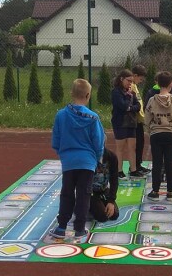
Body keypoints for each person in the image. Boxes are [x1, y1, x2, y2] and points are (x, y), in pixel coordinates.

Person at [50, 79, 105, 240]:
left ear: (71, 93)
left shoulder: (61, 115)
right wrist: (96, 159)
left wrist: (62, 153)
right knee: (84, 194)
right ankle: (79, 228)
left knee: (67, 193)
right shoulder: (93, 117)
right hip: (87, 162)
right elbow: (98, 141)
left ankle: (61, 227)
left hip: (68, 161)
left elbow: (56, 139)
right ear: (88, 95)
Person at [144, 71, 172, 201]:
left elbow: (147, 117)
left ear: (157, 82)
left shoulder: (152, 100)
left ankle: (155, 191)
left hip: (156, 134)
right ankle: (170, 192)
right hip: (171, 134)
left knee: (157, 162)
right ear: (171, 84)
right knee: (170, 162)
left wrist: (148, 130)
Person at [111, 69, 144, 179]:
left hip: (131, 122)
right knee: (120, 148)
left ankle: (133, 170)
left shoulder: (131, 93)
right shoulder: (116, 92)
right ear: (121, 79)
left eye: (131, 81)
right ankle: (119, 170)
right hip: (120, 122)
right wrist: (129, 103)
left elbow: (138, 106)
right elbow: (122, 106)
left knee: (132, 147)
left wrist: (130, 107)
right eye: (128, 81)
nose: (130, 83)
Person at [131, 65, 151, 175]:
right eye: (140, 79)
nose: (141, 81)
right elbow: (136, 104)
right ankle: (134, 167)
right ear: (135, 75)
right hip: (135, 121)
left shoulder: (135, 86)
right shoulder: (132, 86)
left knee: (140, 143)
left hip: (139, 120)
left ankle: (138, 164)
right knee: (136, 144)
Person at [90, 147, 120, 222]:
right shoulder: (88, 156)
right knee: (102, 217)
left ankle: (100, 202)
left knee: (114, 215)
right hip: (89, 192)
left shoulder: (112, 156)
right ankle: (78, 205)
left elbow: (114, 180)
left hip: (104, 190)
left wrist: (111, 201)